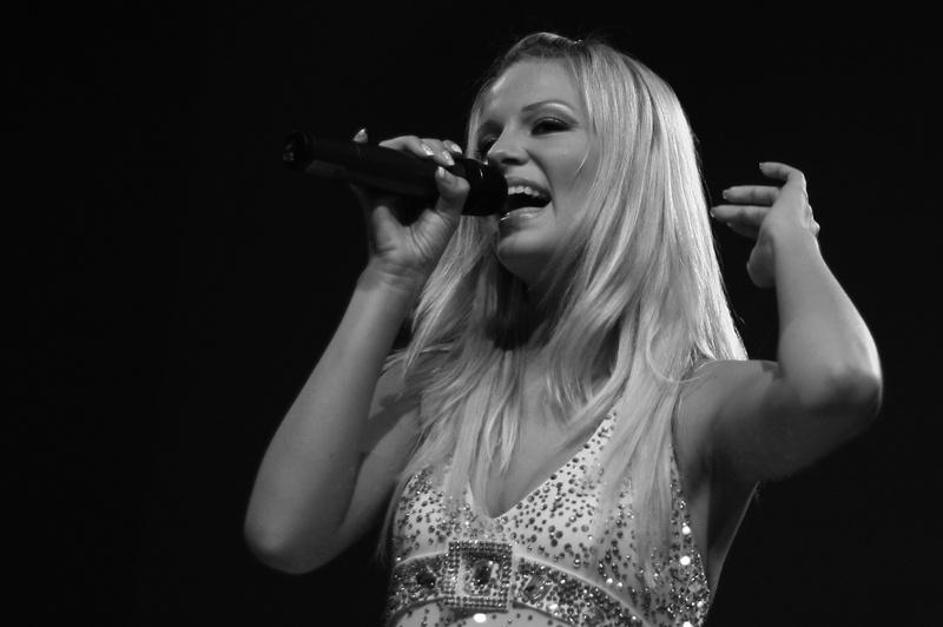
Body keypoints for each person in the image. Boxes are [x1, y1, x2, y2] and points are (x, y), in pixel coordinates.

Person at [243, 32, 883, 626]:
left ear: (631, 169)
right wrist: (391, 276)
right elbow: (282, 534)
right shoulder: (437, 389)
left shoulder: (689, 404)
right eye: (487, 137)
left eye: (546, 125)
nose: (499, 153)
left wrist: (795, 243)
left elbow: (841, 384)